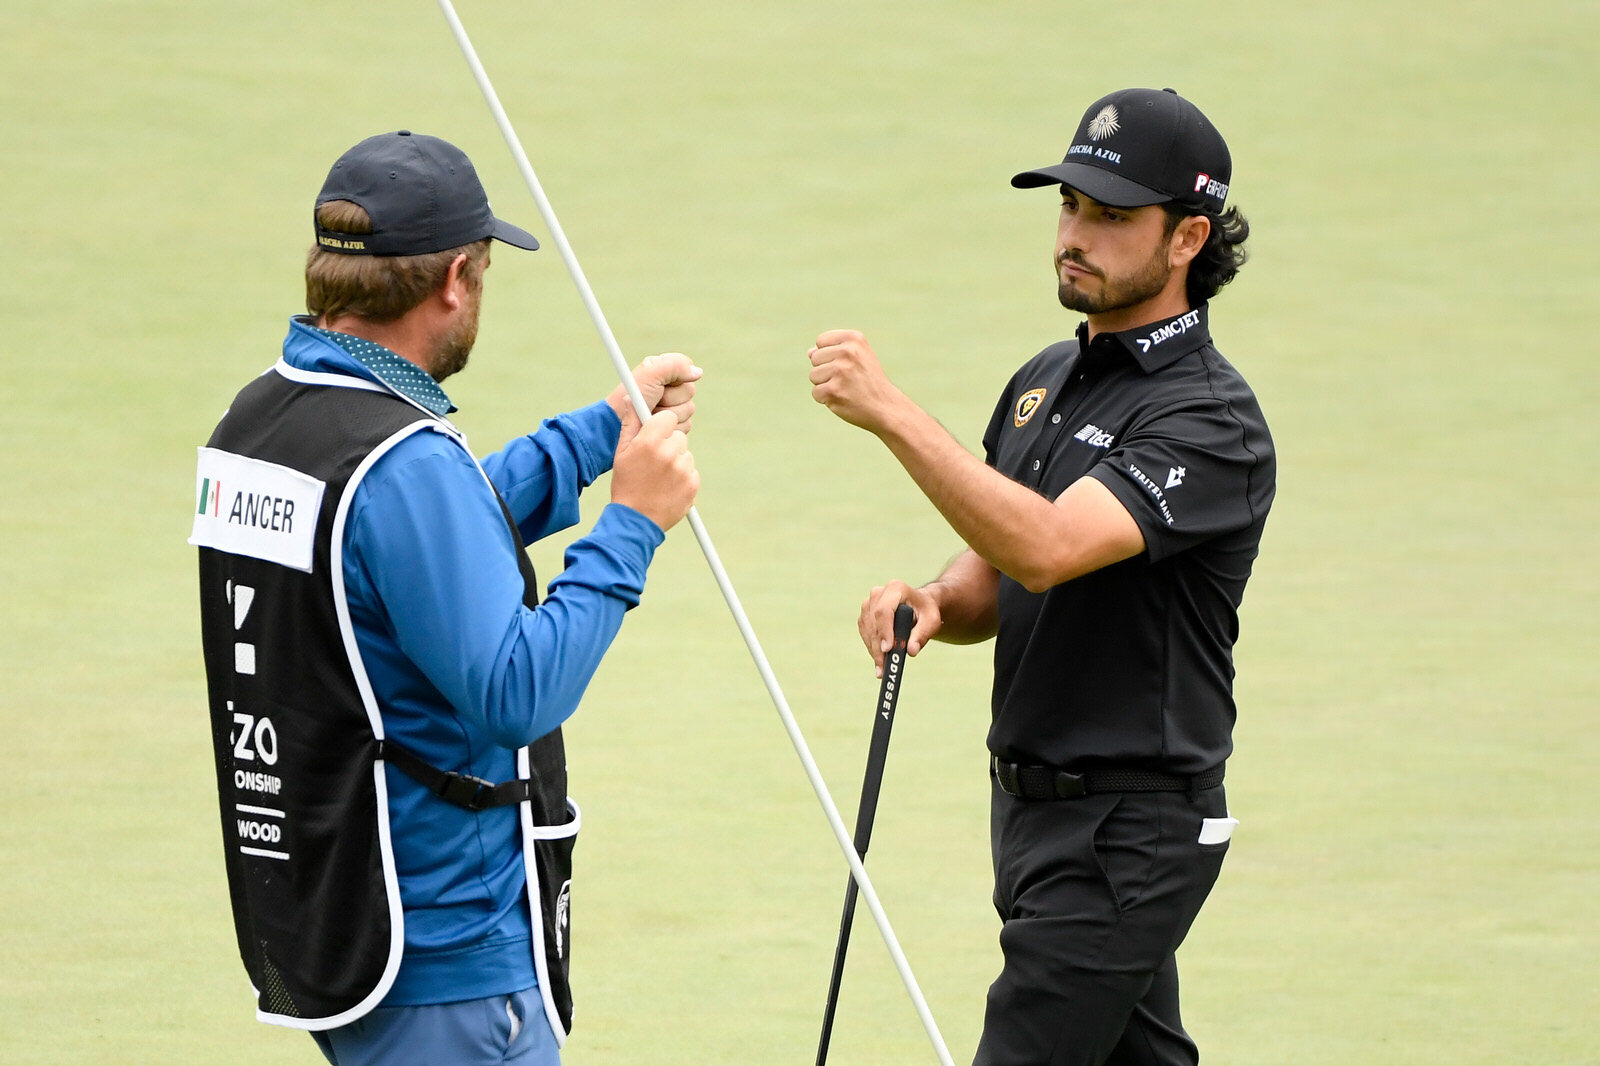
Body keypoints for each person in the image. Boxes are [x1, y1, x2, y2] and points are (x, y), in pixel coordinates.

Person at [190, 130, 700, 1066]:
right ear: (456, 278)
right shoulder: (405, 462)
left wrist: (599, 435)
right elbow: (515, 689)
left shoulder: (260, 417)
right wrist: (632, 523)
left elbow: (404, 547)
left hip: (331, 911)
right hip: (448, 958)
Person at [807, 88, 1274, 1066]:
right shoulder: (1041, 385)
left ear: (1187, 237)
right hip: (1031, 814)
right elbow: (1000, 561)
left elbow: (1049, 545)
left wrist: (891, 411)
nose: (1075, 235)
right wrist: (936, 601)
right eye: (1069, 207)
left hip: (1130, 828)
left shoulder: (1209, 421)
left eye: (1110, 217)